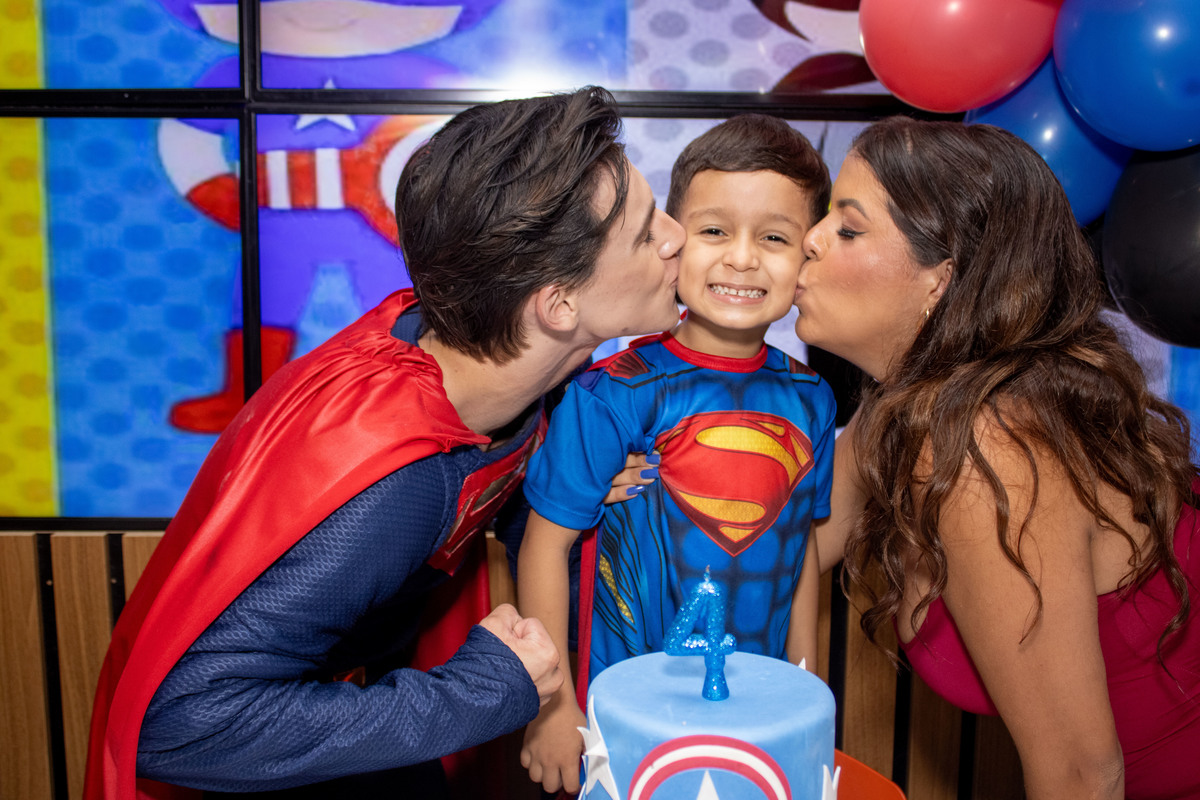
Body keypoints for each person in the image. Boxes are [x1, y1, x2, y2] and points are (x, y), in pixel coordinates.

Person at [83, 85, 689, 800]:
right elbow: (180, 726)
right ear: (557, 304)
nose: (677, 236)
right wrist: (485, 687)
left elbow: (505, 478)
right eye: (646, 233)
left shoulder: (484, 361)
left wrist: (561, 487)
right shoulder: (391, 482)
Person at [798, 117, 1200, 799]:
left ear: (939, 281)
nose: (810, 237)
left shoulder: (989, 447)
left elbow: (1082, 775)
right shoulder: (904, 407)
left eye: (849, 228)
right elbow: (785, 551)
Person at [517, 114, 838, 795]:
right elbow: (545, 545)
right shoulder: (612, 393)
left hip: (760, 721)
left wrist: (808, 690)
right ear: (672, 240)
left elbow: (802, 548)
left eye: (775, 237)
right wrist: (551, 707)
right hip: (623, 717)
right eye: (714, 231)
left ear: (807, 258)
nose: (742, 258)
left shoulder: (813, 398)